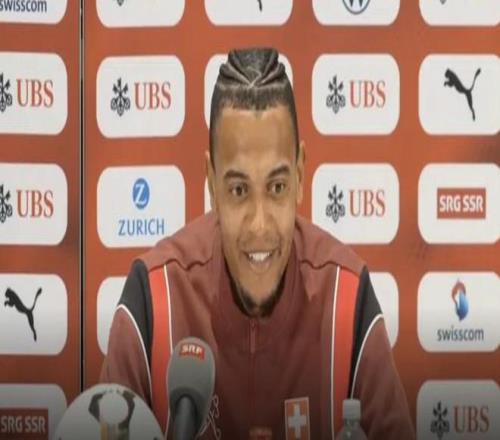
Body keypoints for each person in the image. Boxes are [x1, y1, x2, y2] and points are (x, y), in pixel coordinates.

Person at [101, 48, 415, 440]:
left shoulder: (347, 297)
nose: (260, 224)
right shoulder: (154, 295)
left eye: (277, 187)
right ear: (211, 182)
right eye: (238, 190)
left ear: (300, 175)